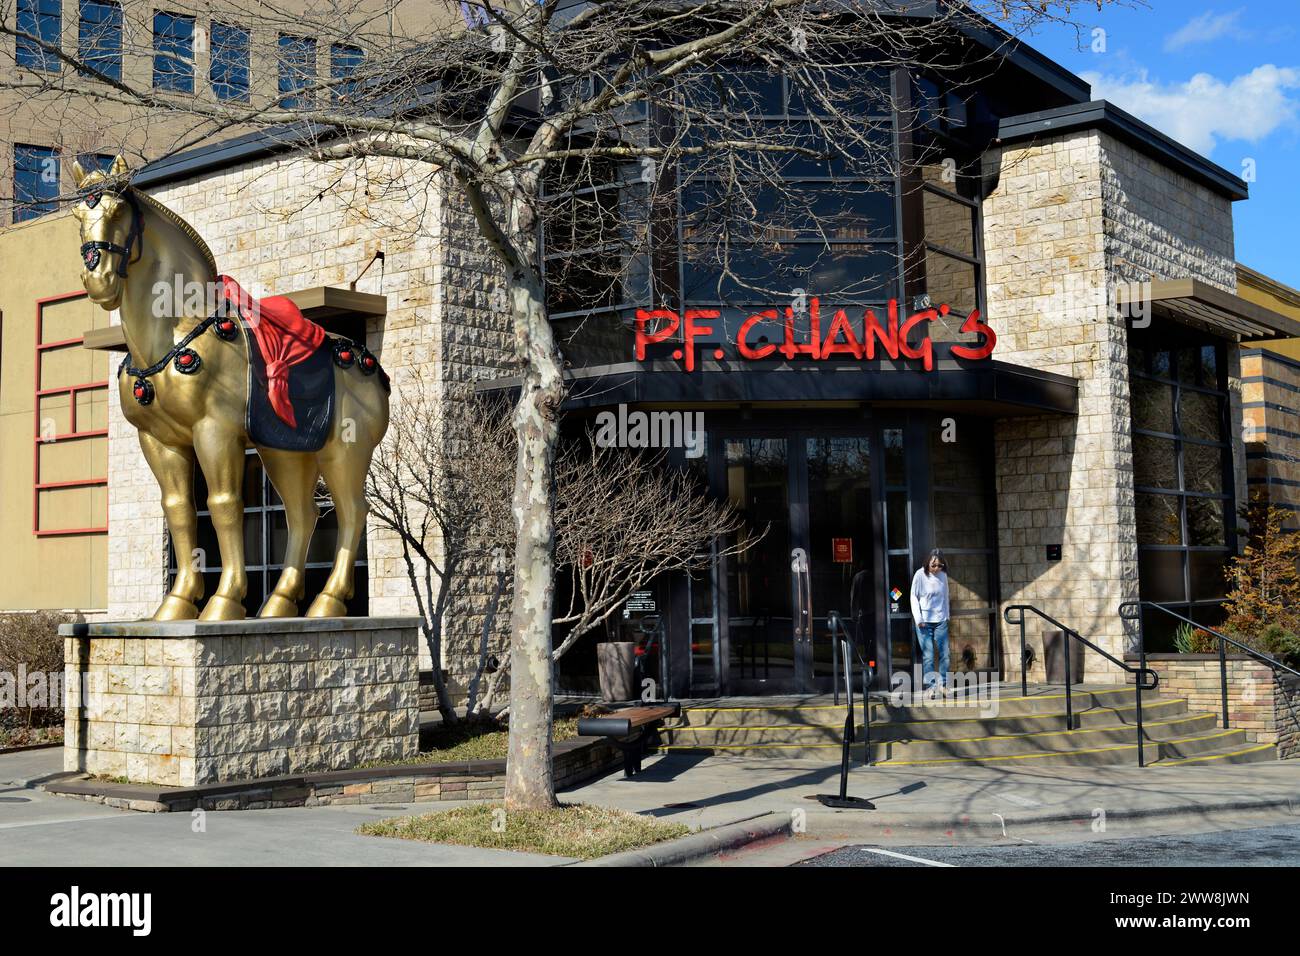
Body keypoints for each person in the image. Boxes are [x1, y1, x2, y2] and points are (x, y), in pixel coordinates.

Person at [910, 550, 950, 699]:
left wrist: (947, 616)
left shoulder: (943, 576)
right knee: (928, 655)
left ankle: (943, 685)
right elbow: (913, 597)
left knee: (945, 654)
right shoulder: (920, 575)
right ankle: (930, 687)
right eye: (934, 565)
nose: (936, 568)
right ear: (928, 563)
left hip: (941, 621)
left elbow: (946, 596)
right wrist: (918, 619)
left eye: (940, 565)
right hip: (924, 622)